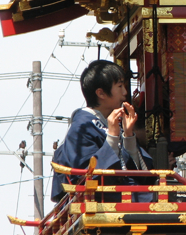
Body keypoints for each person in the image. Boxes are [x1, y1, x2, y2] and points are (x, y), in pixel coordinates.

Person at [51, 60, 154, 203]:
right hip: (102, 196)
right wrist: (112, 136)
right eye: (119, 86)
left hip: (123, 192)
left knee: (173, 193)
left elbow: (138, 174)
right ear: (101, 93)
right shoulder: (81, 127)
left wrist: (129, 136)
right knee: (165, 199)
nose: (125, 93)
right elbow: (87, 178)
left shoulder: (111, 123)